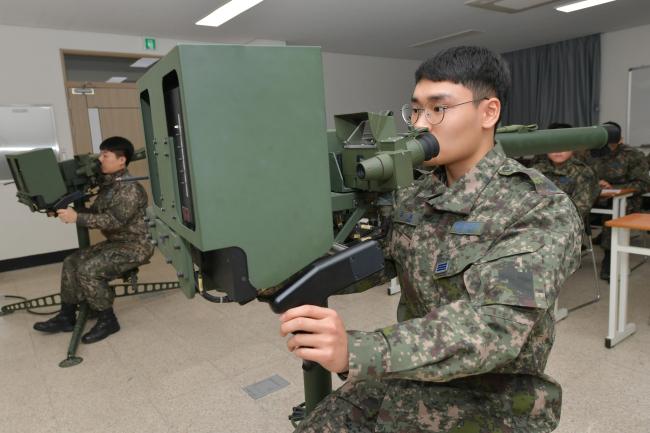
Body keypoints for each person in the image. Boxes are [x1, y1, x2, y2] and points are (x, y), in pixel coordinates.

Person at [280, 46, 582, 432]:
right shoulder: (417, 195)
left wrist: (357, 351)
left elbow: (493, 327)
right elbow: (374, 260)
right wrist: (281, 267)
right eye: (416, 110)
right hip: (409, 371)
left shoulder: (538, 209)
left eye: (438, 108)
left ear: (488, 112)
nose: (422, 124)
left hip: (492, 397)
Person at [33, 136, 154, 343]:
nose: (100, 159)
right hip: (117, 242)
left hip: (136, 246)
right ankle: (66, 316)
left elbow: (113, 221)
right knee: (71, 262)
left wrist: (77, 217)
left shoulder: (129, 188)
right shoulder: (109, 185)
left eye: (105, 155)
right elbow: (96, 212)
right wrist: (62, 210)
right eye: (101, 154)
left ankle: (108, 320)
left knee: (88, 270)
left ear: (121, 160)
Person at [585, 121, 650, 280]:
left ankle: (610, 258)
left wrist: (613, 187)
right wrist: (597, 184)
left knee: (614, 212)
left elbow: (643, 184)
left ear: (620, 138)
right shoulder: (591, 154)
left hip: (624, 198)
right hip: (595, 196)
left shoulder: (632, 155)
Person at [532, 122, 600, 223]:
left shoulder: (583, 173)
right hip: (534, 224)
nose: (558, 150)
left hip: (567, 226)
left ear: (573, 146)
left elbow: (579, 209)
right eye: (553, 144)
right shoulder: (536, 171)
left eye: (563, 144)